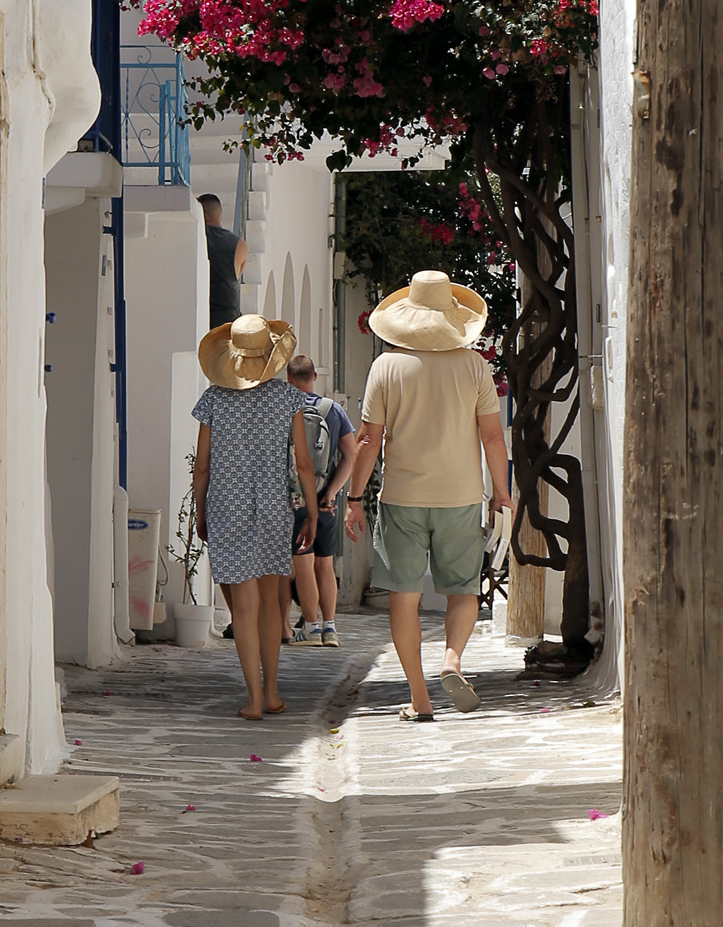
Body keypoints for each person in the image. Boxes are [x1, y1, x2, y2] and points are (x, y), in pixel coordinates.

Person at [344, 269, 510, 721]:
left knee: (404, 596)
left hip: (402, 498)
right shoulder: (474, 366)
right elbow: (493, 437)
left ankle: (419, 698)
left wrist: (354, 499)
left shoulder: (386, 367)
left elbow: (368, 440)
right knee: (463, 590)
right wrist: (501, 494)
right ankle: (452, 659)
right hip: (460, 496)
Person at [192, 313, 318, 722]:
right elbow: (303, 464)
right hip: (273, 507)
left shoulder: (214, 399)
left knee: (243, 608)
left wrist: (201, 512)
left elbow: (202, 467)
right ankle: (273, 693)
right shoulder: (288, 398)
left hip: (226, 506)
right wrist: (312, 513)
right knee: (269, 602)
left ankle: (253, 698)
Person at [285, 353, 355, 648]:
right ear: (314, 377)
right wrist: (332, 492)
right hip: (326, 500)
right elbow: (350, 455)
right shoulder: (333, 409)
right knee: (325, 564)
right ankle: (330, 628)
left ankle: (311, 628)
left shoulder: (284, 409)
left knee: (303, 563)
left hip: (295, 500)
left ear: (288, 380)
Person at [198, 192, 248, 330]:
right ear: (220, 216)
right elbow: (237, 274)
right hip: (228, 323)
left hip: (200, 318)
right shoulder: (240, 245)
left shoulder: (195, 237)